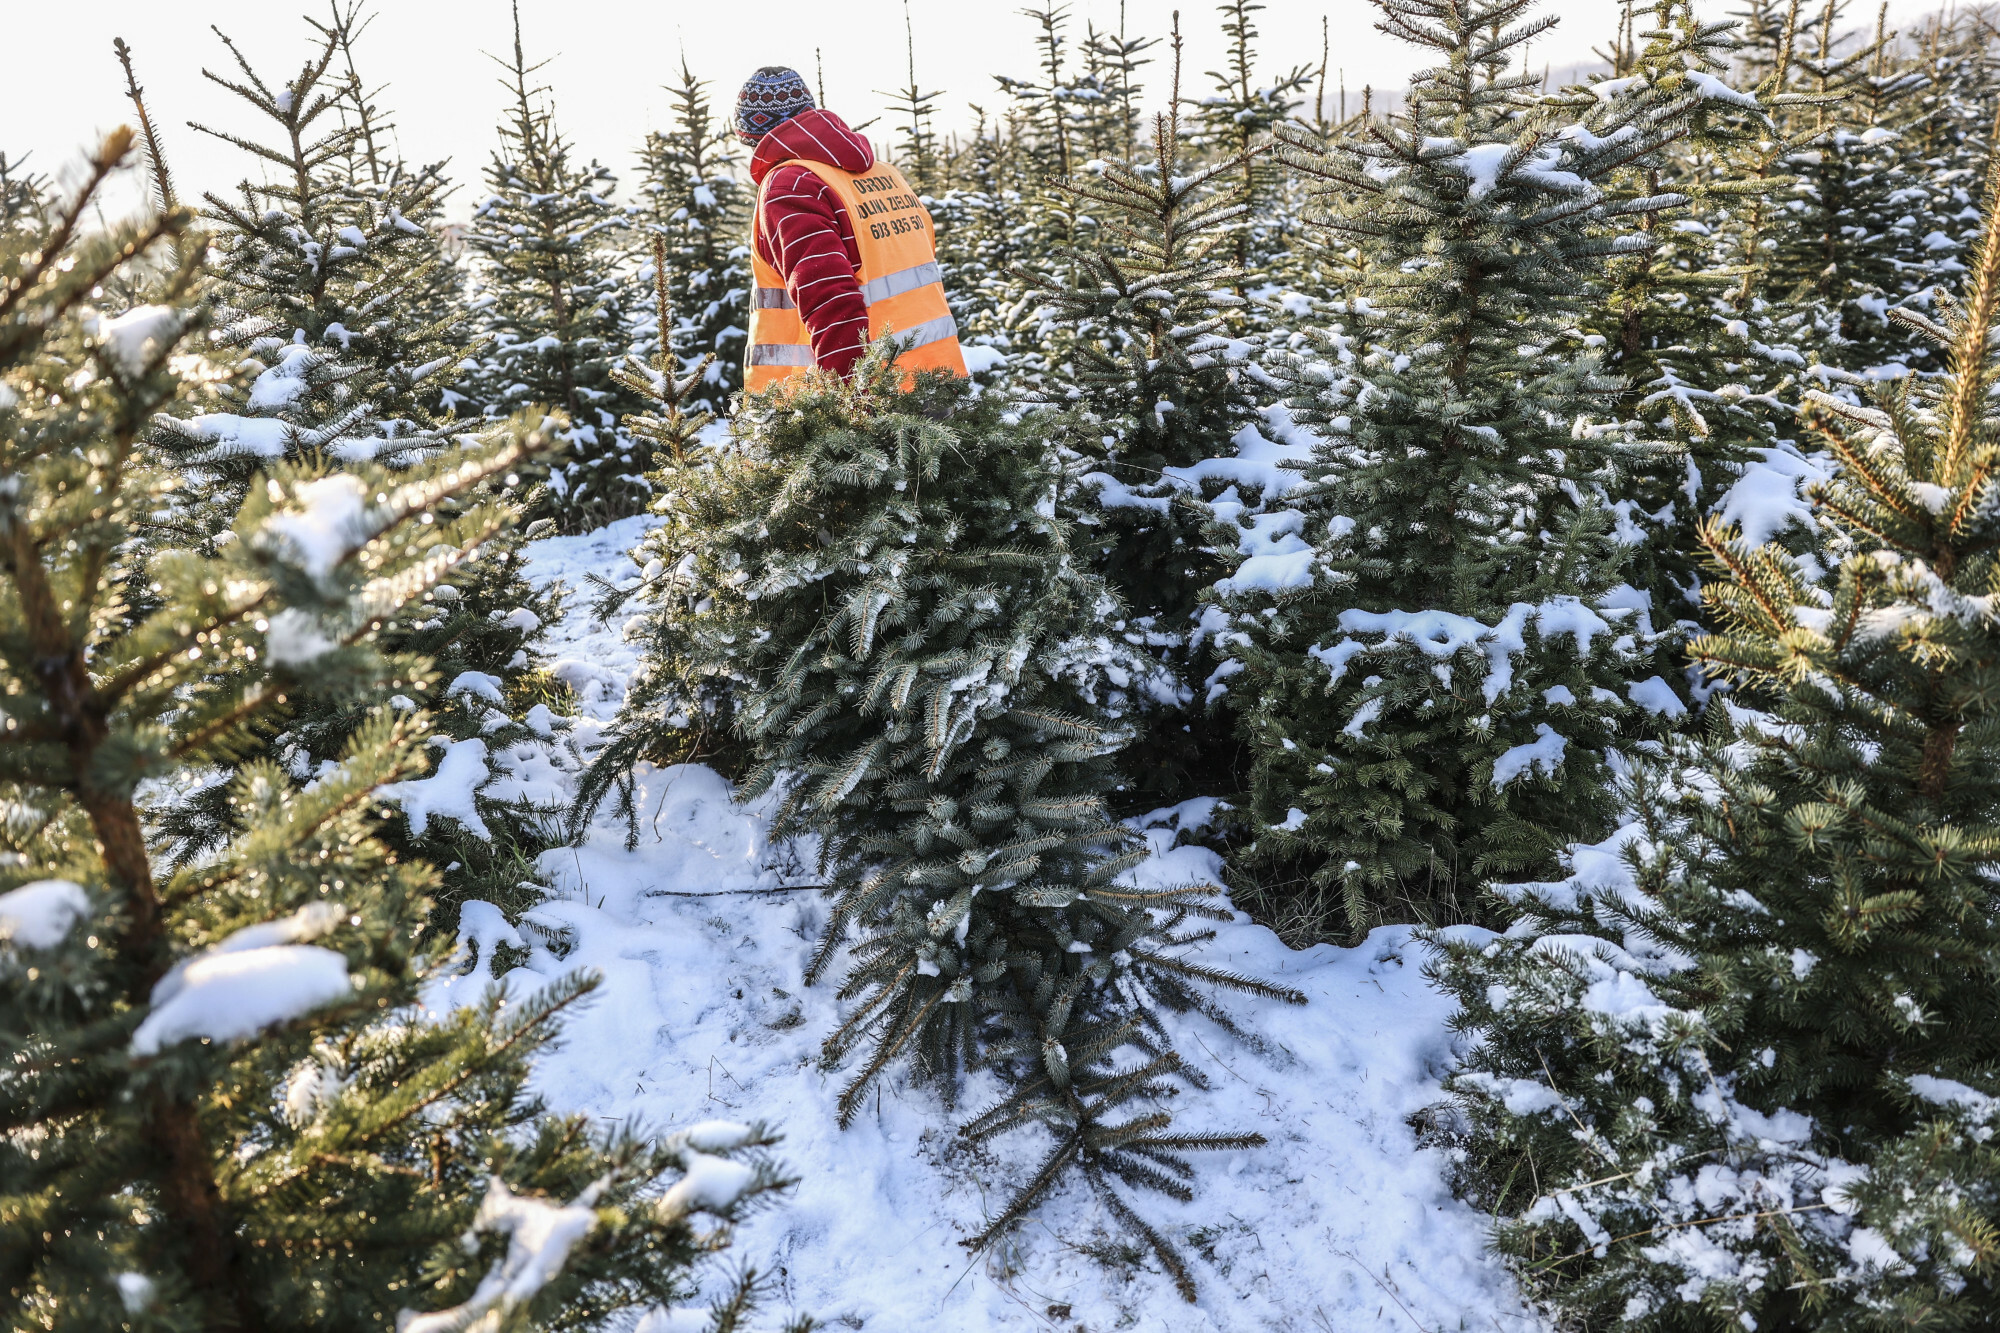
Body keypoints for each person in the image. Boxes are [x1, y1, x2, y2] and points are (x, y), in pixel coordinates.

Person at [735, 66, 967, 391]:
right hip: (938, 380)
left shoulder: (791, 185)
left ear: (759, 137)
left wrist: (852, 408)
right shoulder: (887, 175)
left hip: (855, 404)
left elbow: (832, 304)